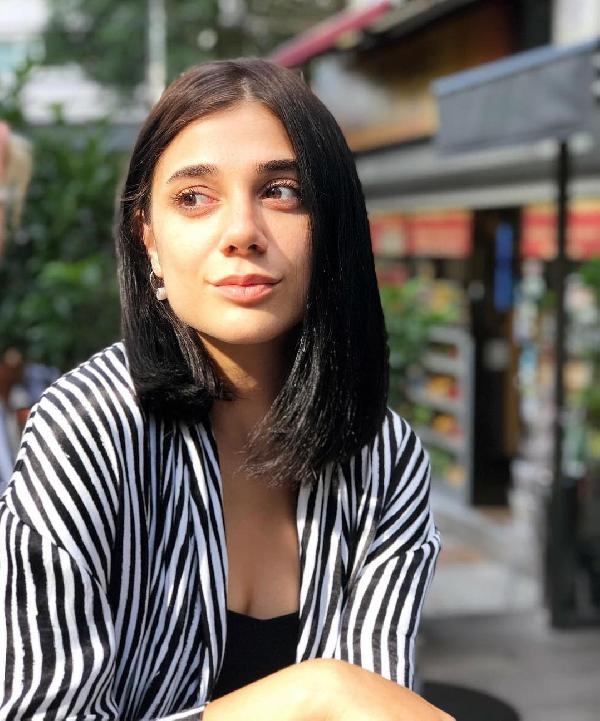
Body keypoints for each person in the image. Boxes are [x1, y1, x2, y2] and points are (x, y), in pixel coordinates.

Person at [0, 59, 449, 721]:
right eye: (194, 197)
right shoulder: (87, 430)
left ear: (333, 226)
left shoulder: (383, 458)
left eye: (282, 191)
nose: (242, 232)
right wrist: (317, 691)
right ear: (148, 239)